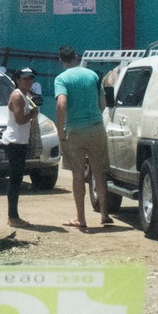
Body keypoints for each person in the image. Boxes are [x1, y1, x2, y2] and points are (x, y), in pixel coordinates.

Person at [54, 45, 112, 230]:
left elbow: (61, 104)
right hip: (96, 129)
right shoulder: (93, 76)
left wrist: (61, 130)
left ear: (61, 60)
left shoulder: (62, 78)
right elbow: (102, 104)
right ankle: (104, 213)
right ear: (77, 57)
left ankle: (81, 218)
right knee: (99, 172)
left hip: (75, 131)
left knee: (78, 174)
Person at [3, 69, 39, 228]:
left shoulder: (25, 95)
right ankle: (12, 216)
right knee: (15, 181)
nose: (28, 81)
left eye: (31, 79)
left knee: (17, 180)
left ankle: (14, 215)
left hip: (20, 142)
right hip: (14, 142)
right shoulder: (18, 96)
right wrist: (32, 114)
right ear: (17, 80)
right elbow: (19, 119)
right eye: (25, 79)